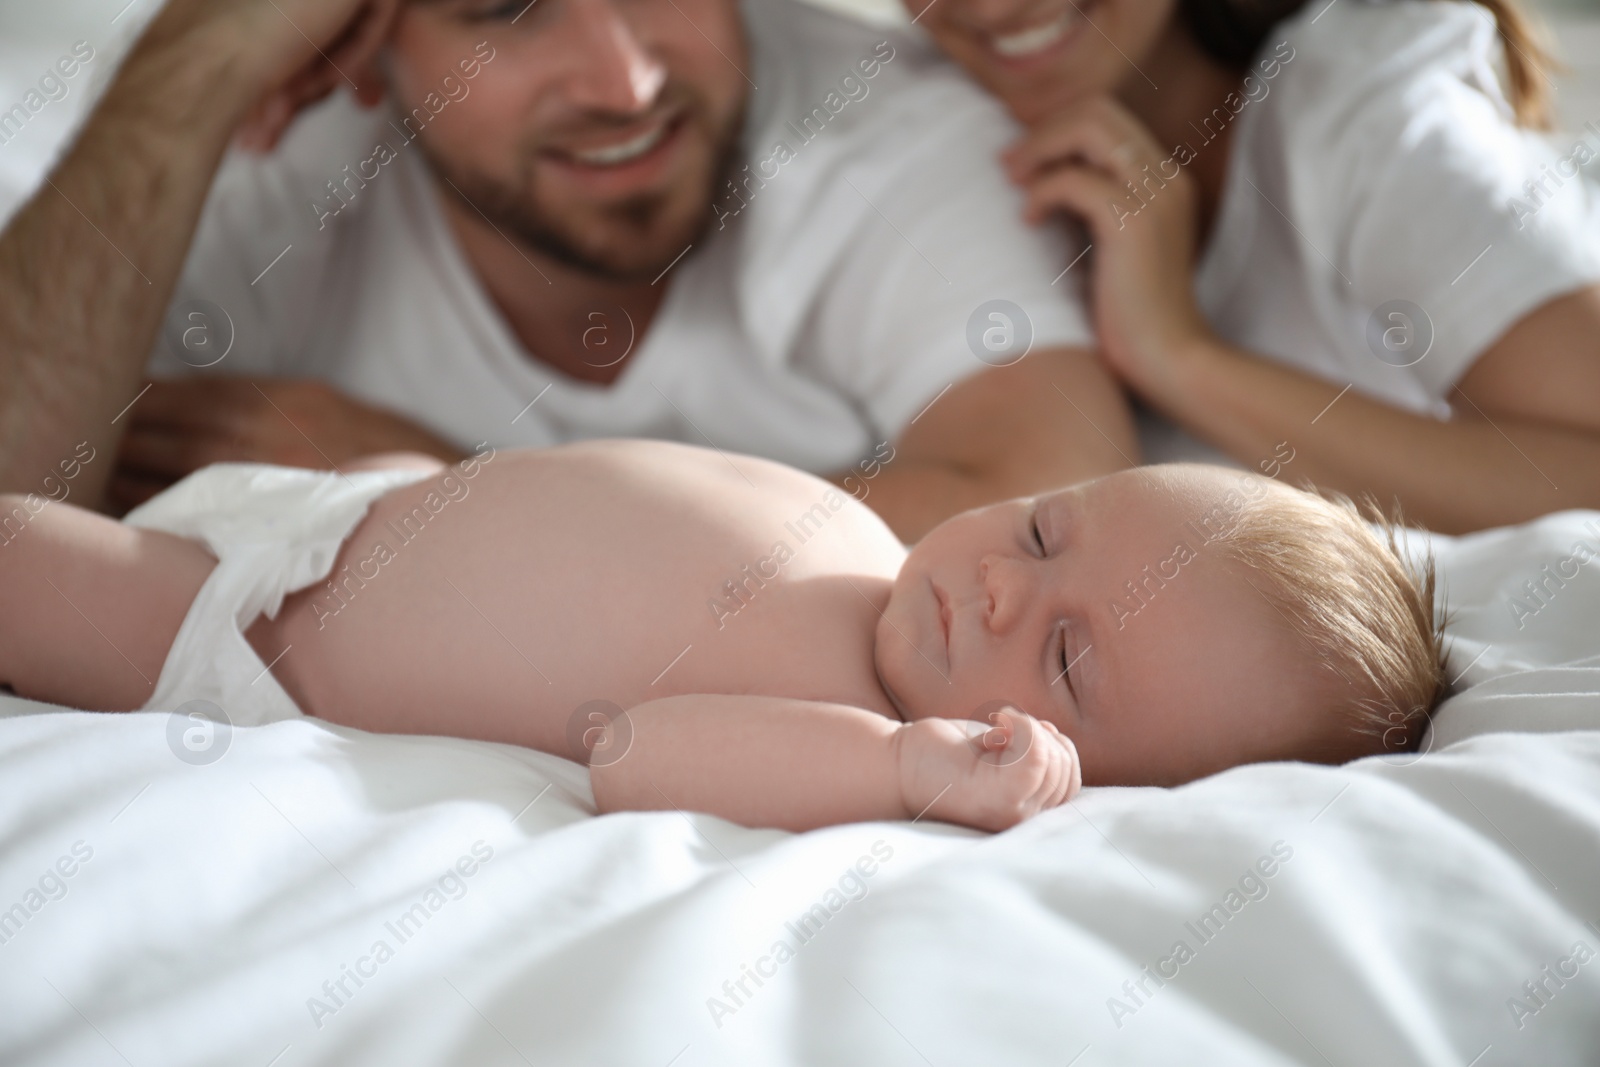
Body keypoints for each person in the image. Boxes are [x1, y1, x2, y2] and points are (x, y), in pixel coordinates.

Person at [0, 0, 1138, 544]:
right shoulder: (262, 158)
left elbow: (1055, 514)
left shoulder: (878, 133)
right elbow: (14, 506)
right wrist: (193, 62)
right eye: (507, 8)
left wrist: (438, 491)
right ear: (364, 35)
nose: (624, 82)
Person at [0, 444, 1444, 832]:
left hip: (240, 628)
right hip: (357, 506)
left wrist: (904, 771)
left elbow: (633, 752)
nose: (1003, 584)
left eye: (1065, 656)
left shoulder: (848, 725)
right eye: (1049, 529)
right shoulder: (881, 568)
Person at [903, 0, 1600, 533]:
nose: (991, 7)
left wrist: (1180, 356)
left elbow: (1587, 470)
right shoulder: (918, 136)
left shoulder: (1364, 114)